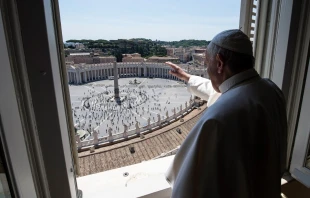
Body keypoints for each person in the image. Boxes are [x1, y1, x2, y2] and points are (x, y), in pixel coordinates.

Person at [165, 29, 287, 198]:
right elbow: (222, 91)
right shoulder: (271, 90)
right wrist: (187, 77)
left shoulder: (217, 118)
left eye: (207, 64)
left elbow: (187, 186)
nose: (207, 69)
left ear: (220, 63)